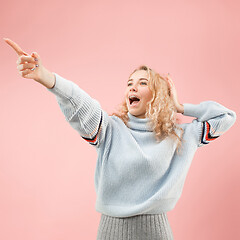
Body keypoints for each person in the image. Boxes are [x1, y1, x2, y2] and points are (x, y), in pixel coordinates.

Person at [4, 38, 237, 240]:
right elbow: (82, 105)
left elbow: (227, 117)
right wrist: (47, 77)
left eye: (142, 83)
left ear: (157, 95)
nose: (132, 88)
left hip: (156, 233)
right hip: (110, 232)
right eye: (129, 84)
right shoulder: (110, 130)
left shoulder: (180, 136)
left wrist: (179, 106)